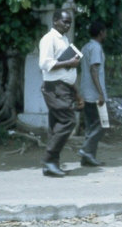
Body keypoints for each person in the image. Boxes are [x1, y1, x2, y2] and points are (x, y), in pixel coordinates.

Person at [39, 9, 84, 177]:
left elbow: (68, 70)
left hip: (65, 87)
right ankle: (48, 159)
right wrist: (69, 62)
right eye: (65, 21)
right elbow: (44, 64)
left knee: (56, 125)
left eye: (70, 22)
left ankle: (52, 164)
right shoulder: (49, 39)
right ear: (55, 21)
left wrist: (76, 92)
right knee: (68, 121)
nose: (68, 25)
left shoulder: (64, 40)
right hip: (55, 87)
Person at [78, 20, 107, 166]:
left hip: (86, 91)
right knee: (102, 124)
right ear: (101, 32)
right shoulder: (96, 48)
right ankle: (86, 150)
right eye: (105, 32)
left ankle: (88, 158)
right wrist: (101, 93)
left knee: (91, 126)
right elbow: (94, 70)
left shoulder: (86, 47)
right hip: (95, 94)